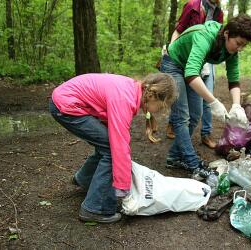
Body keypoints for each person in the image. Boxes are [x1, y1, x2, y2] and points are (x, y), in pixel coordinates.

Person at [49, 73, 177, 223]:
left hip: (66, 99)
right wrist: (123, 188)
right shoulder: (125, 98)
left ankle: (85, 179)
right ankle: (95, 208)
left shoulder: (132, 90)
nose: (161, 111)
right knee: (111, 149)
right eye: (162, 106)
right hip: (66, 104)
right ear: (153, 96)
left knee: (106, 144)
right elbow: (120, 147)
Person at [161, 14, 251, 178]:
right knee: (182, 116)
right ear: (227, 33)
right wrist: (213, 102)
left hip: (190, 68)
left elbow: (233, 79)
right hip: (173, 63)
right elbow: (191, 74)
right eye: (238, 44)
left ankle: (174, 157)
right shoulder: (205, 36)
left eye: (244, 46)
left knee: (195, 115)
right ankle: (193, 163)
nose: (240, 49)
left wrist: (236, 105)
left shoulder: (232, 50)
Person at [165, 0, 224, 149]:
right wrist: (172, 49)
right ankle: (174, 124)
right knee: (180, 99)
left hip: (206, 56)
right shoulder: (193, 5)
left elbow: (219, 37)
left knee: (207, 95)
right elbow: (179, 29)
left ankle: (206, 133)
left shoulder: (219, 12)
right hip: (186, 51)